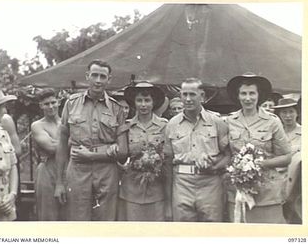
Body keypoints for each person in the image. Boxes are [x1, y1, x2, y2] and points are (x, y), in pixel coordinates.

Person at [54, 59, 128, 221]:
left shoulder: (117, 109)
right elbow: (62, 144)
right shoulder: (71, 104)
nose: (98, 81)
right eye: (94, 75)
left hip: (107, 173)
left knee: (105, 221)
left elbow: (123, 152)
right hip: (78, 170)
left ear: (109, 79)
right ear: (87, 76)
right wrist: (59, 183)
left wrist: (94, 155)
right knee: (78, 220)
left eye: (103, 76)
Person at [226, 72, 291, 223]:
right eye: (243, 93)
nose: (247, 98)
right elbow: (225, 153)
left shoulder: (272, 121)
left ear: (258, 95)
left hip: (267, 193)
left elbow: (286, 157)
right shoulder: (229, 121)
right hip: (238, 192)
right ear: (238, 96)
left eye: (252, 93)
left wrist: (261, 164)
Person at [164, 77, 230, 222]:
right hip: (181, 185)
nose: (187, 99)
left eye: (192, 94)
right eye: (184, 94)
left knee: (211, 230)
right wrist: (169, 202)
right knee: (184, 231)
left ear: (203, 96)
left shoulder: (217, 122)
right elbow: (167, 163)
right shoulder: (172, 125)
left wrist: (214, 167)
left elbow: (228, 155)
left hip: (210, 183)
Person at [118, 82, 169, 221]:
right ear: (134, 103)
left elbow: (168, 157)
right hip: (132, 189)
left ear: (154, 103)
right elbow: (121, 157)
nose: (143, 104)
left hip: (157, 189)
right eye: (139, 100)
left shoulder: (164, 126)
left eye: (147, 100)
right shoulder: (126, 127)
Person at [31, 88, 65, 221]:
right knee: (48, 214)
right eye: (46, 104)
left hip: (67, 169)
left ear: (59, 102)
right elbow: (50, 148)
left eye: (53, 102)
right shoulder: (37, 125)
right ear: (41, 106)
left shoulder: (66, 122)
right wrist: (72, 142)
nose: (51, 107)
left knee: (69, 213)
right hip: (47, 170)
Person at [273, 98, 302, 224]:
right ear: (279, 115)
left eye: (291, 112)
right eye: (284, 112)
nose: (288, 116)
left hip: (297, 185)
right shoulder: (275, 134)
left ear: (297, 113)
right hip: (277, 183)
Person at [0, 89, 19, 221]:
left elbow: (13, 165)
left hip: (6, 197)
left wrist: (13, 194)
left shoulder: (4, 133)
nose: (5, 111)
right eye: (2, 107)